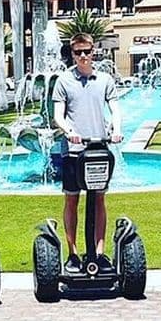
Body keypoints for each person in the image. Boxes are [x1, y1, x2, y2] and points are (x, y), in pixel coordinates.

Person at [52, 33, 123, 272]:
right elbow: (58, 115)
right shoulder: (64, 80)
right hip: (73, 150)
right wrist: (68, 130)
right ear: (72, 54)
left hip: (98, 148)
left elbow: (115, 108)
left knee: (99, 198)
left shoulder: (104, 79)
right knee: (72, 198)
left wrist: (117, 129)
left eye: (87, 51)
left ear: (94, 51)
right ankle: (72, 253)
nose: (83, 56)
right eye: (78, 52)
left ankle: (99, 252)